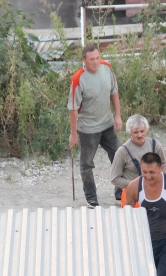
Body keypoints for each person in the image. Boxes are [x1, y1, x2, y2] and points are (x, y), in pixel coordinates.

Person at [68, 44, 122, 208]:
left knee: (118, 155)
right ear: (84, 60)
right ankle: (91, 197)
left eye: (97, 58)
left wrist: (118, 115)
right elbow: (72, 108)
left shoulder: (106, 67)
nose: (96, 62)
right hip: (87, 129)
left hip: (107, 124)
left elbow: (114, 91)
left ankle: (120, 193)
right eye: (92, 59)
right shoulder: (78, 78)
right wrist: (74, 134)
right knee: (87, 163)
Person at [110, 114, 166, 206]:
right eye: (136, 132)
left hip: (154, 191)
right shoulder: (122, 151)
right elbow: (114, 178)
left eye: (142, 131)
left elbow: (164, 163)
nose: (139, 135)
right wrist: (138, 184)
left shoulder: (155, 145)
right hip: (132, 194)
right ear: (129, 132)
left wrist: (159, 179)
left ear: (146, 130)